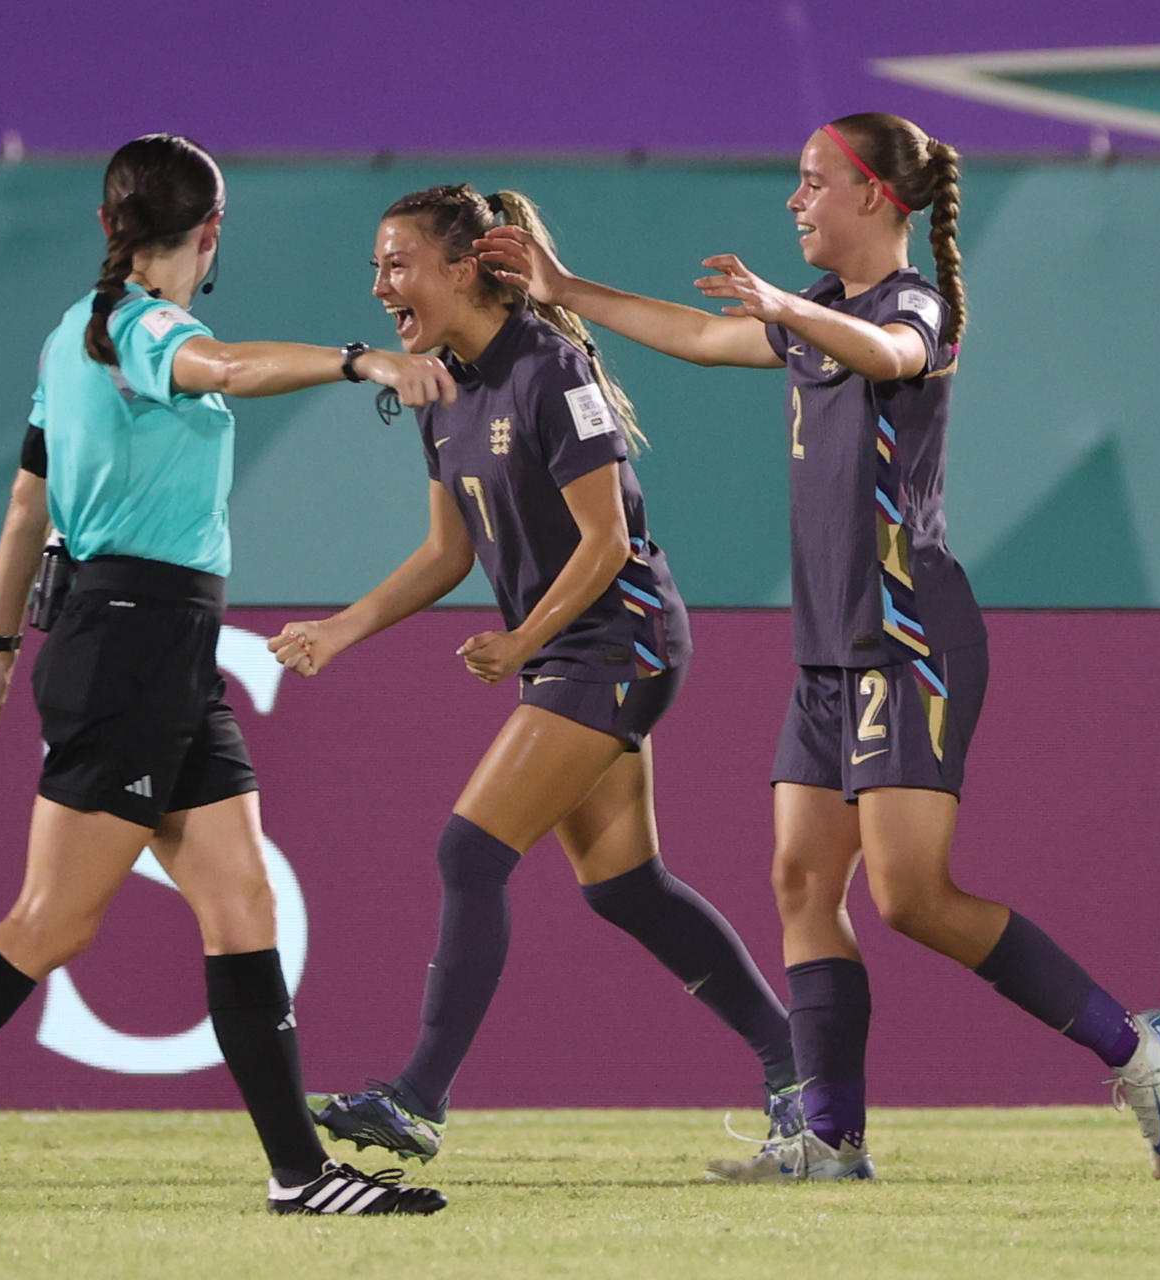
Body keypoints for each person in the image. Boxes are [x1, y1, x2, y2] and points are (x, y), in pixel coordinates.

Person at [476, 113, 1160, 1182]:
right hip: (829, 648)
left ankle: (1137, 1047)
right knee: (803, 880)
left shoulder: (912, 304)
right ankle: (831, 1137)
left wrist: (779, 308)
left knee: (910, 895)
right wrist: (566, 287)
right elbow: (698, 335)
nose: (793, 200)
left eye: (812, 183)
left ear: (875, 197)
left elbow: (896, 353)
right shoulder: (817, 312)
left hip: (909, 636)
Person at [0, 134, 454, 1216]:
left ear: (109, 225)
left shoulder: (69, 335)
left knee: (241, 895)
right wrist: (363, 361)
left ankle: (301, 1174)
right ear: (208, 234)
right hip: (130, 646)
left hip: (156, 649)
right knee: (51, 920)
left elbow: (27, 507)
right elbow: (231, 369)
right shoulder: (141, 324)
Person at [268, 183, 801, 1165]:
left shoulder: (552, 367)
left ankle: (418, 1098)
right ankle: (797, 1066)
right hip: (570, 646)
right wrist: (341, 629)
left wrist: (518, 646)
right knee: (625, 887)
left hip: (620, 637)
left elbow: (603, 541)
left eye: (398, 263)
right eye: (377, 267)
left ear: (467, 266)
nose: (381, 283)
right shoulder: (436, 382)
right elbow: (446, 552)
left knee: (471, 850)